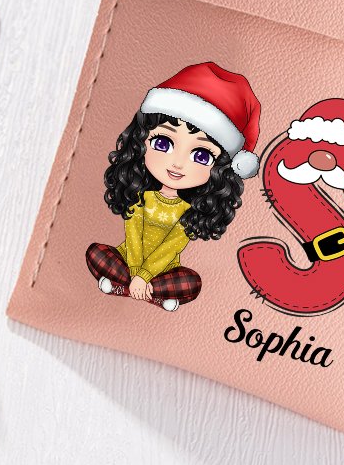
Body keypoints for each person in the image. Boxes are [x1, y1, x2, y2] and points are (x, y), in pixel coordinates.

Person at [85, 61, 261, 311]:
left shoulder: (187, 211)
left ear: (220, 170)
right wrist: (135, 272)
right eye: (163, 143)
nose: (177, 164)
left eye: (201, 155)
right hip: (129, 261)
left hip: (161, 271)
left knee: (190, 282)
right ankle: (148, 293)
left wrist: (145, 275)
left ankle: (121, 286)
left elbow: (172, 247)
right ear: (140, 142)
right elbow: (132, 235)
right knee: (97, 253)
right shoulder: (141, 197)